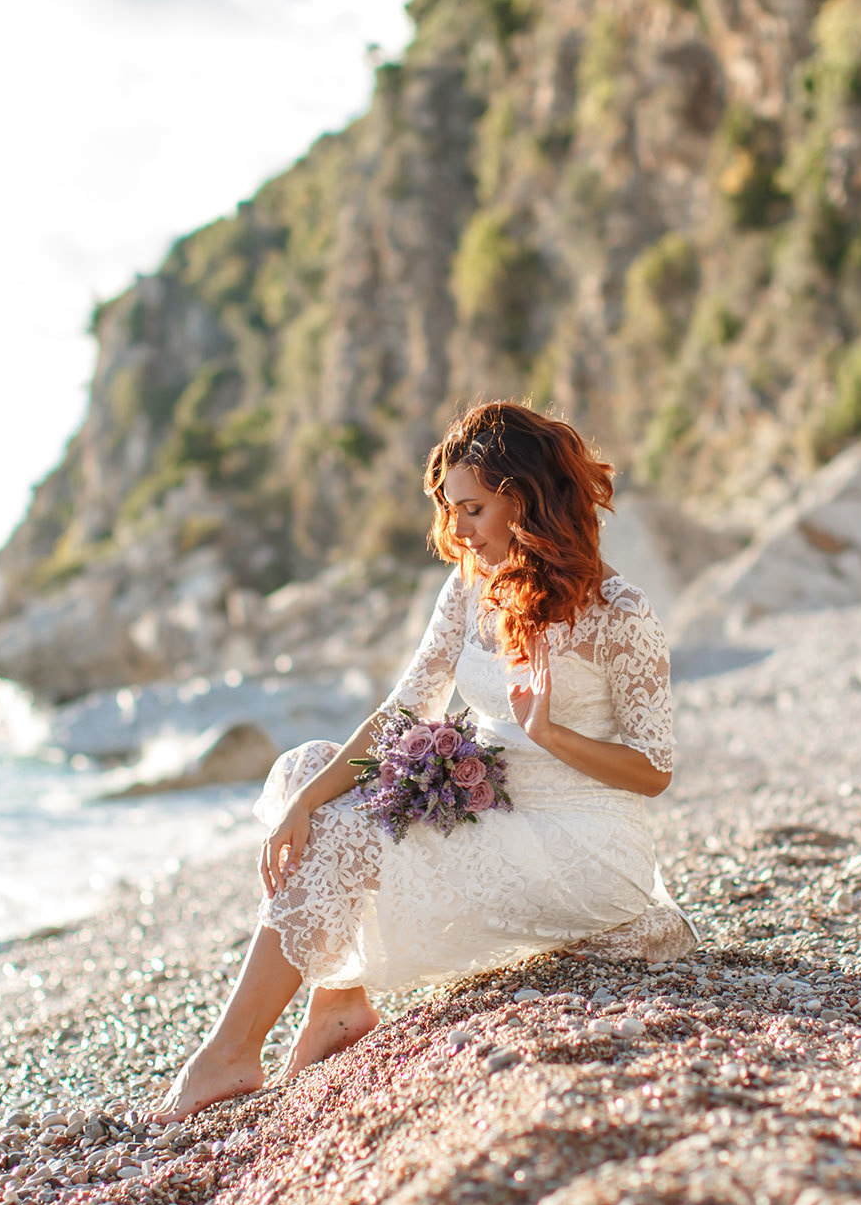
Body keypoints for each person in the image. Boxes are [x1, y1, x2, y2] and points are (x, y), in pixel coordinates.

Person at [153, 400, 697, 1122]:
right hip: (491, 808)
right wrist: (304, 801)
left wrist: (547, 731)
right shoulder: (471, 587)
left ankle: (228, 1054)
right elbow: (405, 711)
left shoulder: (619, 612)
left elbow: (654, 771)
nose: (458, 530)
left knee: (348, 828)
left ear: (526, 499)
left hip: (584, 841)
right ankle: (337, 1005)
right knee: (307, 770)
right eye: (451, 510)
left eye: (473, 509)